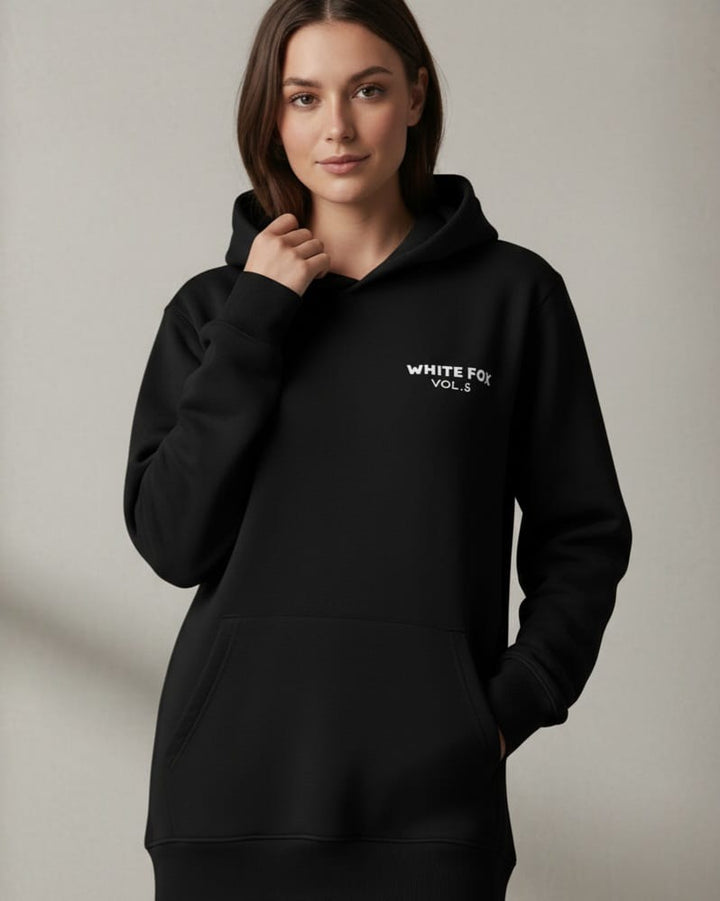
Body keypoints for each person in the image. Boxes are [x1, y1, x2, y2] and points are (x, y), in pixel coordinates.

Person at [122, 1, 632, 899]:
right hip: (226, 803)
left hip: (431, 813)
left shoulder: (513, 297)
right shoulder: (212, 310)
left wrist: (507, 708)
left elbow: (584, 535)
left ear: (415, 97)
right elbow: (171, 540)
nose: (338, 128)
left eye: (367, 90)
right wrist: (255, 319)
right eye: (304, 98)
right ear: (273, 116)